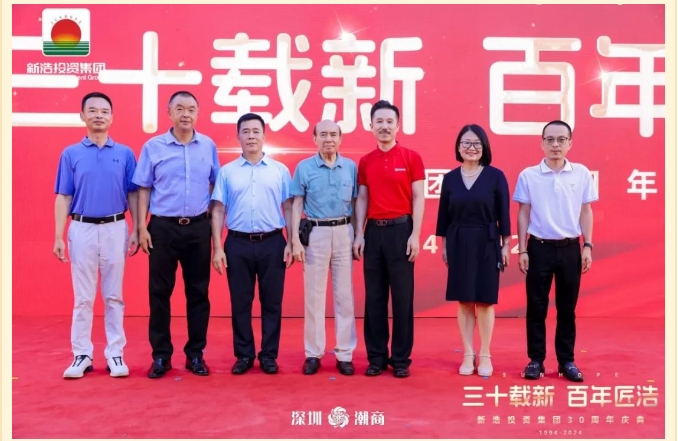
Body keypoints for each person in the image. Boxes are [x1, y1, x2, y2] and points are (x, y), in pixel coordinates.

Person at [133, 91, 220, 379]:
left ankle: (196, 354)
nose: (186, 114)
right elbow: (144, 188)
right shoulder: (153, 147)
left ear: (198, 113)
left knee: (198, 293)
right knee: (159, 293)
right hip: (162, 228)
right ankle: (161, 355)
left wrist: (210, 223)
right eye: (179, 108)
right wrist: (142, 227)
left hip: (197, 227)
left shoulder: (208, 146)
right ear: (169, 113)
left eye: (191, 109)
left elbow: (215, 185)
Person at [54, 91, 139, 379]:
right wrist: (58, 235)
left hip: (116, 226)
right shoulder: (71, 153)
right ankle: (82, 354)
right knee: (83, 297)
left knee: (114, 295)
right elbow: (63, 196)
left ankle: (115, 353)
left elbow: (134, 194)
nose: (98, 115)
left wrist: (137, 228)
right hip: (82, 228)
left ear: (112, 117)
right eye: (92, 110)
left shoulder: (124, 153)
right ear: (82, 116)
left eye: (104, 111)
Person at [513, 120, 597, 382]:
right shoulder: (529, 175)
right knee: (536, 307)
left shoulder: (581, 173)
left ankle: (566, 361)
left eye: (561, 139)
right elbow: (523, 213)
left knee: (567, 307)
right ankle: (536, 360)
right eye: (549, 139)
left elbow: (586, 211)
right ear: (542, 143)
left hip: (570, 248)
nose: (555, 145)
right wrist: (522, 249)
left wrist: (587, 245)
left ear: (570, 143)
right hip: (538, 248)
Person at [211, 112, 294, 375]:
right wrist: (217, 248)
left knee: (272, 303)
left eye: (256, 131)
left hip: (273, 242)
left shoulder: (280, 171)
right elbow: (218, 211)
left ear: (264, 136)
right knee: (240, 302)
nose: (251, 136)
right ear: (238, 136)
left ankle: (268, 355)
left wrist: (292, 241)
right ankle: (244, 355)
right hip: (237, 243)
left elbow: (289, 207)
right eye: (245, 132)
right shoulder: (227, 172)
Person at [353, 100, 425, 378]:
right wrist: (359, 234)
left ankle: (401, 358)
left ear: (398, 126)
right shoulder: (365, 161)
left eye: (389, 121)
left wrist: (415, 234)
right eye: (379, 122)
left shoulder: (411, 157)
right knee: (374, 297)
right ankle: (376, 357)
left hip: (401, 231)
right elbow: (362, 198)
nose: (384, 126)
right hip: (374, 233)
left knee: (403, 298)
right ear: (371, 126)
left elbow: (418, 198)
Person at [434, 124, 511, 377]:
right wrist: (444, 245)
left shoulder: (495, 176)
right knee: (465, 299)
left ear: (484, 147)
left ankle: (485, 352)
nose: (471, 148)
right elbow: (443, 216)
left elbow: (504, 215)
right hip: (458, 241)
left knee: (485, 300)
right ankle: (468, 352)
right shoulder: (450, 179)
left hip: (487, 242)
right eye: (466, 143)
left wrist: (506, 246)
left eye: (477, 143)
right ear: (458, 147)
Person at [290, 119, 358, 376]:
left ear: (340, 139)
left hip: (344, 232)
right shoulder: (304, 167)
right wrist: (295, 239)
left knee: (344, 296)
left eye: (333, 134)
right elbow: (297, 203)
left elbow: (356, 203)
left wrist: (358, 235)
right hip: (315, 233)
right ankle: (313, 353)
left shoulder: (350, 167)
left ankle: (345, 354)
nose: (328, 139)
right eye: (323, 134)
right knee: (314, 297)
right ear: (314, 139)